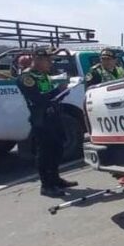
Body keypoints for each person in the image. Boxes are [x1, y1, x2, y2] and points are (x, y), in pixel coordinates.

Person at [17, 47, 78, 197]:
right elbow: (38, 99)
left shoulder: (44, 75)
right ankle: (46, 185)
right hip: (42, 118)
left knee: (58, 148)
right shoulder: (27, 77)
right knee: (45, 152)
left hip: (54, 115)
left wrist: (64, 91)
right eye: (48, 60)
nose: (50, 63)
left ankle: (56, 179)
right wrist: (58, 90)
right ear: (37, 59)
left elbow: (52, 97)